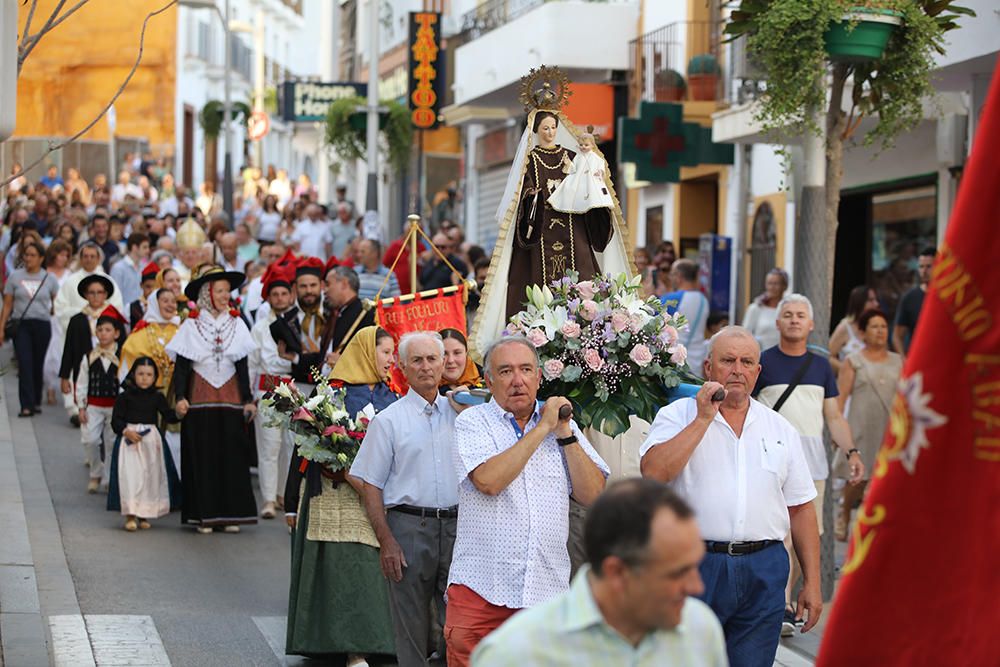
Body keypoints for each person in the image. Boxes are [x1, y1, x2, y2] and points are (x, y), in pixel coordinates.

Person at [640, 326, 821, 666]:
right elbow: (653, 473)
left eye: (746, 362)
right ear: (708, 367)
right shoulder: (677, 416)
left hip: (763, 569)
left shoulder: (779, 427)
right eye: (728, 360)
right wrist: (703, 419)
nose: (737, 369)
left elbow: (801, 508)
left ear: (757, 371)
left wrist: (811, 582)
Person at [445, 336, 609, 666]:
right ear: (488, 381)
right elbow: (489, 482)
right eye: (505, 371)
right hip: (481, 590)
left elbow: (593, 495)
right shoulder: (472, 422)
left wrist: (563, 433)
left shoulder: (564, 427)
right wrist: (542, 427)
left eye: (525, 370)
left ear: (539, 377)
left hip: (546, 592)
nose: (517, 380)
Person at [472, 479, 727, 667]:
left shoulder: (700, 629)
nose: (696, 587)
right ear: (616, 572)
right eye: (677, 573)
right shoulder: (515, 654)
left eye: (695, 566)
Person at [284, 326, 398, 663]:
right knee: (346, 570)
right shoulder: (333, 394)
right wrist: (291, 501)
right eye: (386, 352)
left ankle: (383, 642)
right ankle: (350, 647)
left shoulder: (392, 395)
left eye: (393, 353)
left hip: (380, 497)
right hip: (337, 496)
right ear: (366, 352)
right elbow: (304, 447)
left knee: (375, 570)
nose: (391, 360)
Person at [752, 293, 864, 634]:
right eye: (788, 314)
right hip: (768, 459)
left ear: (812, 324)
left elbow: (833, 416)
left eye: (801, 315)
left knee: (805, 537)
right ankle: (781, 604)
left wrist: (851, 452)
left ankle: (783, 600)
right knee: (780, 534)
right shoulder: (762, 363)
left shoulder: (820, 367)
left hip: (812, 464)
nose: (795, 320)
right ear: (778, 322)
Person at [350, 331, 461, 667]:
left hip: (459, 528)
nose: (426, 367)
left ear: (444, 363)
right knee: (410, 625)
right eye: (417, 360)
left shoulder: (465, 414)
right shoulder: (388, 421)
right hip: (409, 528)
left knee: (458, 623)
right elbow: (370, 484)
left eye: (432, 359)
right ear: (402, 367)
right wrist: (387, 542)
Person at [166, 264, 257, 533]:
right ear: (207, 293)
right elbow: (182, 366)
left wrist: (248, 399)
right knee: (202, 454)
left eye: (227, 291)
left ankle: (231, 515)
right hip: (199, 398)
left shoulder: (237, 324)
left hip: (230, 397)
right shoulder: (191, 325)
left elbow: (243, 366)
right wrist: (180, 397)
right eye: (219, 291)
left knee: (231, 454)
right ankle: (203, 514)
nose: (224, 296)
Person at [834, 309, 902, 541]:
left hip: (889, 427)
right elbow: (841, 398)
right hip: (861, 425)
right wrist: (838, 430)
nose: (880, 331)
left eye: (883, 326)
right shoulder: (853, 362)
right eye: (874, 326)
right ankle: (844, 511)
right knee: (857, 479)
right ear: (862, 333)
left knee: (887, 479)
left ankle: (878, 527)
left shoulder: (899, 361)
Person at [106, 357, 181, 531]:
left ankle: (144, 513)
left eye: (149, 374)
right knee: (131, 477)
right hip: (130, 442)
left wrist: (178, 413)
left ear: (155, 377)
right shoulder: (124, 397)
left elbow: (168, 415)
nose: (144, 378)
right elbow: (116, 420)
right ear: (133, 374)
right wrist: (126, 431)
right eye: (140, 374)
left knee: (149, 477)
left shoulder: (157, 397)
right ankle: (130, 514)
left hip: (150, 443)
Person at [250, 262, 298, 518]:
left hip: (292, 389)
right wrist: (248, 397)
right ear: (268, 298)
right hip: (267, 389)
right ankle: (268, 498)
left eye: (284, 293)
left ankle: (283, 493)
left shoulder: (297, 323)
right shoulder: (258, 329)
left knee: (291, 446)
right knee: (269, 446)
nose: (280, 298)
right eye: (275, 294)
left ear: (291, 295)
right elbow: (252, 364)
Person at [119, 287, 182, 474]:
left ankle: (174, 482)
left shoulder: (184, 331)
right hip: (146, 396)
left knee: (174, 439)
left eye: (173, 301)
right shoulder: (140, 334)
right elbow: (126, 367)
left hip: (174, 393)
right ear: (155, 303)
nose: (170, 305)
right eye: (165, 301)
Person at [0, 240, 59, 417]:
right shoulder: (15, 277)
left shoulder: (49, 279)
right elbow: (8, 305)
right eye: (26, 255)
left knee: (37, 363)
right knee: (25, 363)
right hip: (22, 323)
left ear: (41, 258)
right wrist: (1, 328)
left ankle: (35, 400)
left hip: (42, 324)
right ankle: (25, 404)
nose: (28, 258)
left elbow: (56, 303)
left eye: (33, 255)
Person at [59, 274, 123, 428]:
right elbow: (69, 347)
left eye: (99, 292)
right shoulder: (78, 320)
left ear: (106, 294)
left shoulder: (114, 317)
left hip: (110, 367)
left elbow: (122, 345)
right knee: (88, 411)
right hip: (84, 367)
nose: (96, 296)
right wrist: (64, 376)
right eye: (91, 292)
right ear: (86, 295)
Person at [75, 310, 126, 493]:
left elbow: (124, 382)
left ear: (116, 333)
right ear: (95, 333)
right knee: (90, 439)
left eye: (107, 330)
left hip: (114, 406)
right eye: (100, 330)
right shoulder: (89, 357)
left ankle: (108, 477)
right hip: (94, 405)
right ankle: (95, 472)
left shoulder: (121, 356)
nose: (103, 333)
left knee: (112, 441)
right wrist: (81, 406)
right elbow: (82, 383)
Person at [546, 128, 614, 215]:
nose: (583, 147)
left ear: (592, 145)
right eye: (581, 145)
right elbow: (573, 168)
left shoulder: (595, 157)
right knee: (569, 189)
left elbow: (601, 164)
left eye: (586, 145)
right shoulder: (578, 157)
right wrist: (568, 164)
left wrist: (600, 172)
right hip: (578, 179)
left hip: (591, 180)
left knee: (594, 195)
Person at [662, 259, 710, 378]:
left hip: (676, 363)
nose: (670, 278)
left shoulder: (673, 299)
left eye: (672, 274)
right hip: (698, 362)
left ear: (678, 276)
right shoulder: (704, 300)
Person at [42, 240, 74, 406]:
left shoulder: (70, 274)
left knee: (61, 352)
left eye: (66, 255)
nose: (63, 258)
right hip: (47, 316)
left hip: (64, 317)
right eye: (60, 254)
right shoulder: (45, 273)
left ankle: (63, 385)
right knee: (49, 353)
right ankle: (50, 387)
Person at [828, 284, 880, 375]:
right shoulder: (845, 327)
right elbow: (828, 356)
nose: (876, 304)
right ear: (859, 303)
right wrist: (848, 371)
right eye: (871, 300)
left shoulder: (878, 327)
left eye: (876, 300)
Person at [893, 246, 935, 356]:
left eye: (929, 266)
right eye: (921, 267)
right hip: (918, 359)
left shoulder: (949, 296)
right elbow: (897, 335)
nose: (924, 271)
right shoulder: (910, 298)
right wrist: (904, 360)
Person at [741, 267, 788, 351]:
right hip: (760, 356)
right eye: (769, 283)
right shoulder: (755, 308)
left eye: (776, 284)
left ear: (784, 286)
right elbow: (745, 335)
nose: (772, 287)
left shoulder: (788, 309)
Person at [110, 232, 151, 306]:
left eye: (148, 247)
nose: (148, 250)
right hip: (124, 313)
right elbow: (115, 295)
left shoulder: (145, 267)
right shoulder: (118, 268)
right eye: (144, 247)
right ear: (134, 247)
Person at [439, 328, 482, 394]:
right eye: (444, 354)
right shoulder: (423, 387)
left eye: (457, 353)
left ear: (466, 353)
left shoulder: (489, 380)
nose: (451, 360)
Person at [128, 262, 161, 329]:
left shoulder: (166, 307)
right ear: (141, 285)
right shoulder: (130, 308)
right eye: (148, 287)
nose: (152, 291)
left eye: (156, 287)